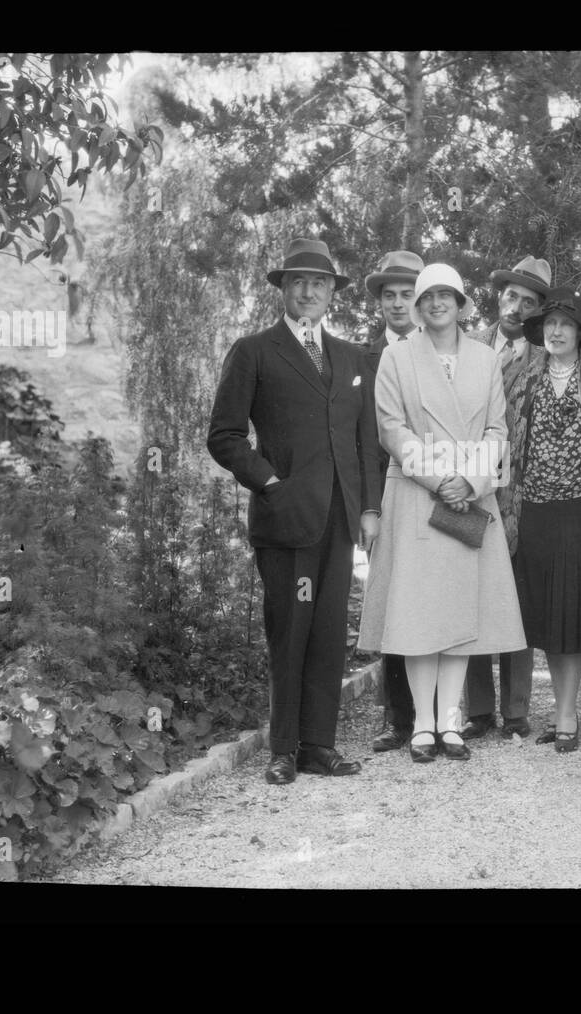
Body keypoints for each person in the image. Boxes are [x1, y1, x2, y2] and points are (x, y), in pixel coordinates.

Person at [207, 237, 381, 785]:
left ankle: (318, 746)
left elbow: (366, 442)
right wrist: (270, 482)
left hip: (338, 521)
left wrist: (369, 509)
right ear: (283, 288)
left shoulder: (353, 358)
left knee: (330, 631)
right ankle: (282, 749)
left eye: (319, 283)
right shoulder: (254, 350)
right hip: (285, 519)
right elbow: (225, 436)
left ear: (332, 293)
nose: (309, 291)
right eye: (298, 282)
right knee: (290, 630)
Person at [357, 264, 526, 762]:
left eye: (445, 296)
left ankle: (450, 722)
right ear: (418, 305)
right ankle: (422, 726)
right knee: (418, 615)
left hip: (470, 497)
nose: (435, 304)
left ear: (461, 303)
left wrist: (469, 482)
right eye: (427, 296)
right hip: (416, 495)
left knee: (459, 612)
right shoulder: (397, 356)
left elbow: (498, 429)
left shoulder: (483, 357)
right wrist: (439, 478)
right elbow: (391, 427)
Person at [502, 288, 581, 752]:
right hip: (531, 511)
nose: (556, 331)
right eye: (549, 323)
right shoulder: (519, 377)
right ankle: (559, 708)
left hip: (580, 511)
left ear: (580, 333)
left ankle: (567, 713)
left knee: (571, 613)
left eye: (566, 325)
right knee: (546, 615)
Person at [463, 255, 552, 738]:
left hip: (523, 495)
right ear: (498, 295)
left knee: (516, 599)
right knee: (473, 595)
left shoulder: (546, 356)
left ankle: (516, 712)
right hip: (471, 489)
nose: (516, 307)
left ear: (539, 311)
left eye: (529, 302)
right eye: (511, 295)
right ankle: (478, 710)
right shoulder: (468, 344)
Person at [362, 250, 425, 751]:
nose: (399, 304)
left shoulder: (439, 353)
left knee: (432, 600)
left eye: (408, 294)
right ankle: (395, 716)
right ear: (379, 303)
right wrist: (368, 507)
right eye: (390, 295)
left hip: (431, 489)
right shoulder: (361, 357)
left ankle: (438, 713)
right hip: (384, 492)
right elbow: (359, 440)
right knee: (391, 602)